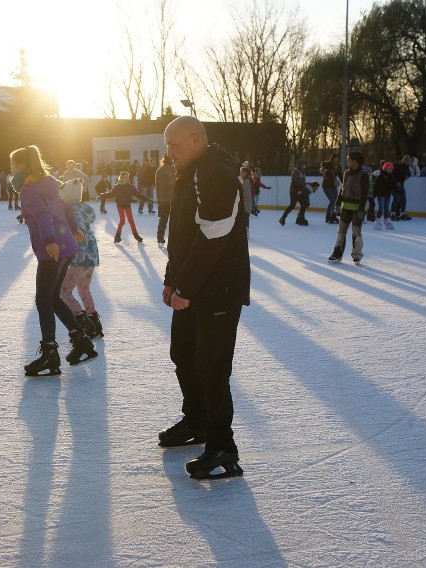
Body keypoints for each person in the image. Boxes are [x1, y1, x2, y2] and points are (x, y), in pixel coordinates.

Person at [159, 116, 250, 481]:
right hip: (194, 286)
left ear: (195, 139)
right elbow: (183, 236)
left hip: (218, 289)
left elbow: (213, 236)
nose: (169, 153)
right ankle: (197, 421)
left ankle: (223, 448)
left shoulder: (215, 173)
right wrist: (172, 279)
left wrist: (186, 288)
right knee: (183, 355)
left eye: (174, 145)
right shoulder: (192, 170)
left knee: (212, 367)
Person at [12, 145, 97, 377]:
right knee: (52, 297)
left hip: (53, 249)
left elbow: (44, 215)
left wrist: (49, 240)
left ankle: (50, 354)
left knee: (43, 301)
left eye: (12, 165)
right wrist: (74, 228)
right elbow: (66, 207)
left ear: (20, 166)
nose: (11, 170)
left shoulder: (29, 189)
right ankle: (81, 341)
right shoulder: (47, 183)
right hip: (67, 246)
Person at [58, 178, 103, 339]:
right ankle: (94, 321)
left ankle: (85, 323)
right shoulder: (84, 207)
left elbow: (79, 226)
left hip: (80, 258)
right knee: (84, 289)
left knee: (64, 290)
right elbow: (87, 219)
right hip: (91, 257)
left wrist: (79, 233)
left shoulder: (72, 209)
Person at [328, 152, 369, 263]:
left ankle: (357, 255)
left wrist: (361, 210)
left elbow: (364, 194)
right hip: (346, 207)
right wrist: (337, 203)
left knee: (356, 232)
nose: (347, 162)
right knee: (341, 232)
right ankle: (337, 254)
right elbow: (343, 190)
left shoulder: (364, 175)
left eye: (348, 160)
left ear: (355, 161)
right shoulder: (346, 173)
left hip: (357, 209)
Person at [98, 171, 149, 243]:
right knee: (122, 221)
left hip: (127, 205)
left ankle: (136, 235)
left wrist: (148, 199)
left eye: (127, 177)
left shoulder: (130, 187)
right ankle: (117, 236)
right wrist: (101, 195)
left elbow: (138, 194)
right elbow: (110, 194)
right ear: (121, 178)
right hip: (120, 205)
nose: (126, 179)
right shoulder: (117, 186)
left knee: (131, 221)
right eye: (125, 177)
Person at [279, 159, 311, 226]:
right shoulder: (295, 171)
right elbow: (296, 182)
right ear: (300, 165)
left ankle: (300, 218)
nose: (304, 166)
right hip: (294, 191)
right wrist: (301, 189)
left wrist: (307, 186)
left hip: (301, 191)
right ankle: (282, 218)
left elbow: (302, 182)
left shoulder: (302, 171)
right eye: (303, 165)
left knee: (305, 204)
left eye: (305, 165)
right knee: (292, 205)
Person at [155, 156, 175, 244]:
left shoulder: (158, 171)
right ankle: (173, 239)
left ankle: (160, 237)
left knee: (163, 219)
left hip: (163, 199)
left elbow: (157, 186)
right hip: (173, 198)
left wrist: (159, 198)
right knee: (174, 220)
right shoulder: (173, 169)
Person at [373, 162, 395, 231]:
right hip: (381, 194)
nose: (390, 170)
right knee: (381, 208)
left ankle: (387, 222)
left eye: (391, 168)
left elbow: (392, 185)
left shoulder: (391, 176)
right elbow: (375, 185)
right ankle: (378, 222)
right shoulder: (381, 175)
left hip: (388, 194)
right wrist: (374, 194)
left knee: (387, 208)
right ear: (385, 168)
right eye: (389, 168)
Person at [320, 153, 341, 224]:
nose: (336, 159)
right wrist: (323, 170)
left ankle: (333, 215)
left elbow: (341, 175)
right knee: (332, 201)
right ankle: (328, 216)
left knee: (337, 201)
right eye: (335, 157)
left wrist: (344, 183)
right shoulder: (327, 164)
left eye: (337, 158)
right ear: (332, 158)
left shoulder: (339, 166)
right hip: (326, 185)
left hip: (333, 186)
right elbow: (322, 166)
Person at [390, 155, 412, 221]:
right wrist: (396, 182)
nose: (410, 163)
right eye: (408, 161)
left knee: (403, 199)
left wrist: (406, 176)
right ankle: (392, 213)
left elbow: (407, 174)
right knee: (397, 199)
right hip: (393, 186)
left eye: (410, 161)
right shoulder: (396, 167)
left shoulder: (406, 167)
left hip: (400, 186)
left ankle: (402, 213)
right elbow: (392, 175)